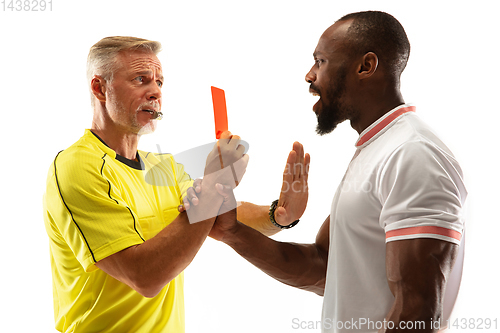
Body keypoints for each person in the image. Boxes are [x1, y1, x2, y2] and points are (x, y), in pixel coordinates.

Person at [184, 10, 467, 333]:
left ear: (366, 66)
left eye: (320, 61)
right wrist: (233, 231)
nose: (309, 75)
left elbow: (417, 312)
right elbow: (325, 268)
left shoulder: (412, 153)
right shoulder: (378, 149)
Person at [43, 36, 309, 333]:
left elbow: (219, 220)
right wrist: (212, 185)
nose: (155, 91)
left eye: (159, 82)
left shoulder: (164, 167)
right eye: (141, 79)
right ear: (99, 88)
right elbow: (144, 277)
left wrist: (279, 215)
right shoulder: (77, 167)